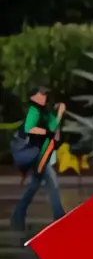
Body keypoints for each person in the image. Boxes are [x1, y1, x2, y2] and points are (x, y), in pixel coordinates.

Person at [10, 88, 66, 230]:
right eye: (41, 94)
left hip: (42, 155)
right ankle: (60, 217)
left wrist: (58, 115)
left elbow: (55, 134)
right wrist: (48, 131)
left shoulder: (46, 112)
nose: (44, 96)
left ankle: (18, 216)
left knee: (34, 186)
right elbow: (29, 128)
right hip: (36, 154)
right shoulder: (34, 110)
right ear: (33, 96)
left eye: (45, 94)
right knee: (52, 184)